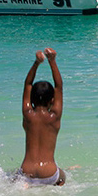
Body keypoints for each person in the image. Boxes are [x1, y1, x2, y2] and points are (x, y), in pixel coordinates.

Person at [19, 48, 66, 186]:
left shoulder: (28, 114)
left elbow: (27, 84)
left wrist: (36, 63)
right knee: (63, 176)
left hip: (27, 173)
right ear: (52, 100)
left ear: (32, 99)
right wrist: (52, 61)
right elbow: (59, 86)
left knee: (15, 175)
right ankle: (57, 187)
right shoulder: (54, 116)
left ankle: (26, 186)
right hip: (49, 174)